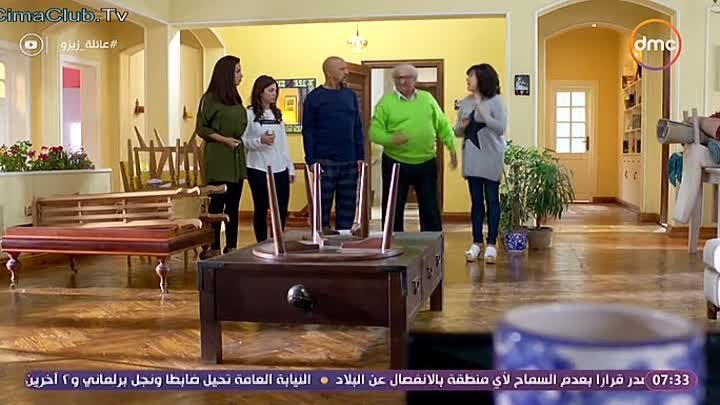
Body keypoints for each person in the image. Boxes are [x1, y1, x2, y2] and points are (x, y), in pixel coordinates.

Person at [370, 63, 458, 232]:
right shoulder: (386, 102)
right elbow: (374, 132)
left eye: (406, 78)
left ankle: (433, 243)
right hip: (395, 163)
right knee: (393, 208)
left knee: (430, 209)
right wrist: (391, 139)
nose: (402, 81)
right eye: (398, 78)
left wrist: (451, 148)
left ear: (415, 80)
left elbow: (442, 124)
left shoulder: (427, 99)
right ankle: (392, 243)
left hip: (426, 162)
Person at [301, 56, 364, 231]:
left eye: (346, 68)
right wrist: (311, 160)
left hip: (350, 161)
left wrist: (360, 156)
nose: (347, 72)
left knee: (347, 208)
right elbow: (308, 131)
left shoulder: (350, 95)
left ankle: (344, 240)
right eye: (342, 69)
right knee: (321, 209)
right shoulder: (314, 98)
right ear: (329, 73)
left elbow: (357, 127)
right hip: (324, 161)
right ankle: (322, 241)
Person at [455, 63, 507, 264]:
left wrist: (482, 113)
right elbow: (457, 131)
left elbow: (500, 128)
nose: (468, 80)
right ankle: (476, 242)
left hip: (491, 156)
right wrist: (462, 125)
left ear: (482, 79)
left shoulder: (496, 101)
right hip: (472, 157)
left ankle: (491, 243)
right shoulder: (465, 102)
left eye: (471, 76)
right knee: (476, 201)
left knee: (492, 199)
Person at [195, 55, 247, 256]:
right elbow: (202, 128)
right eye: (237, 71)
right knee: (217, 205)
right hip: (218, 156)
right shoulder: (209, 99)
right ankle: (214, 246)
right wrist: (224, 139)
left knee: (233, 205)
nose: (241, 75)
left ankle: (232, 246)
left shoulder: (236, 99)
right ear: (226, 74)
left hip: (236, 157)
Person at [243, 75, 295, 242]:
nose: (274, 94)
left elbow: (283, 143)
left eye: (276, 91)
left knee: (281, 208)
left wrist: (290, 167)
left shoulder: (277, 114)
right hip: (258, 167)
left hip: (279, 168)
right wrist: (260, 141)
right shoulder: (249, 114)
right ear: (260, 92)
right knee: (261, 207)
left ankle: (277, 241)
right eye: (271, 90)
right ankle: (261, 243)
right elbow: (243, 141)